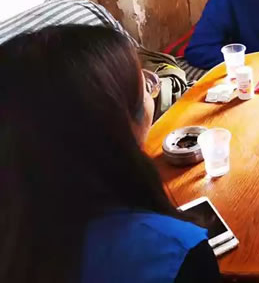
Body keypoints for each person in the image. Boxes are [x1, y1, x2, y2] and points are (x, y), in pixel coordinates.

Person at [0, 25, 221, 283]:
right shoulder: (176, 251)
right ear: (119, 125)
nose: (151, 86)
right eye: (143, 86)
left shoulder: (19, 230)